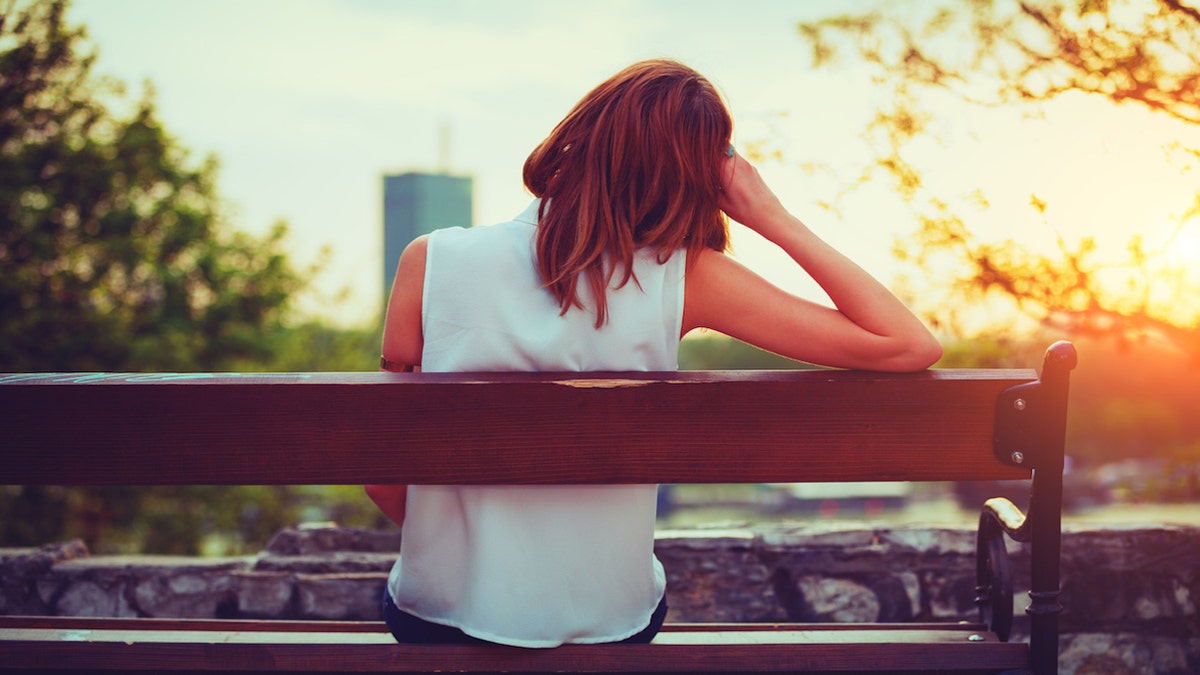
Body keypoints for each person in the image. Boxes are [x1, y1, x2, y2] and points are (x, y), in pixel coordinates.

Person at [365, 58, 941, 648]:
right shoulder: (686, 277)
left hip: (439, 614)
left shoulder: (430, 261)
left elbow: (380, 469)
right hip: (613, 621)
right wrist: (774, 217)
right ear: (701, 176)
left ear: (579, 134)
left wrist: (476, 551)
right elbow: (907, 344)